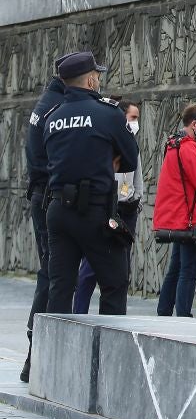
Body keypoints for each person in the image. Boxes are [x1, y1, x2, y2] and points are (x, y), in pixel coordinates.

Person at [43, 51, 139, 317]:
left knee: (60, 288)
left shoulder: (53, 117)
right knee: (114, 282)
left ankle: (55, 356)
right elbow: (130, 158)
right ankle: (108, 356)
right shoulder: (107, 114)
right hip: (94, 211)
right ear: (90, 82)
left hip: (58, 209)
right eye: (97, 77)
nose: (98, 81)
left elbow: (46, 161)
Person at [19, 54, 71, 383]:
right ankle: (36, 351)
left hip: (42, 194)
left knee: (50, 273)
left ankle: (34, 354)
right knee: (53, 275)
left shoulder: (47, 102)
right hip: (50, 196)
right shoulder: (55, 108)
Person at [72, 99, 143, 314]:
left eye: (137, 118)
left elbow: (137, 173)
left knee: (121, 270)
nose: (135, 122)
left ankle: (114, 317)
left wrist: (137, 198)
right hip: (108, 208)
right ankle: (78, 313)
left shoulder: (131, 142)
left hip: (128, 208)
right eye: (132, 117)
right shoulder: (106, 141)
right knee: (90, 269)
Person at [154, 104, 196, 317]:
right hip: (193, 220)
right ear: (194, 124)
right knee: (189, 272)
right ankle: (183, 316)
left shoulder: (174, 144)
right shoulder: (189, 147)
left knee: (176, 269)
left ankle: (164, 311)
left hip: (181, 217)